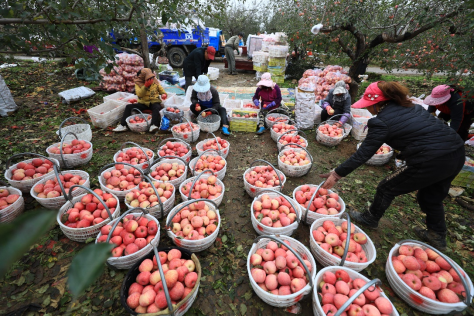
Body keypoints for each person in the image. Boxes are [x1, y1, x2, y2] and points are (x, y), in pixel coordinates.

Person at [319, 81, 465, 251]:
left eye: (369, 105)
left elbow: (363, 154)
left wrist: (337, 173)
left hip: (431, 159)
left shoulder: (381, 122)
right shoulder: (413, 108)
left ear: (378, 103)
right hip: (456, 152)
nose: (368, 109)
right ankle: (437, 235)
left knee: (386, 187)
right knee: (431, 197)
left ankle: (370, 218)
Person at [113, 68, 166, 133]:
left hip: (154, 101)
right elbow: (140, 94)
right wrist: (145, 86)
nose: (150, 79)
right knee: (128, 107)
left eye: (151, 77)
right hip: (143, 103)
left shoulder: (155, 81)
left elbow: (161, 90)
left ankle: (153, 125)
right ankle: (123, 125)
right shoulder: (138, 83)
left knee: (156, 107)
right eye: (148, 78)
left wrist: (163, 94)